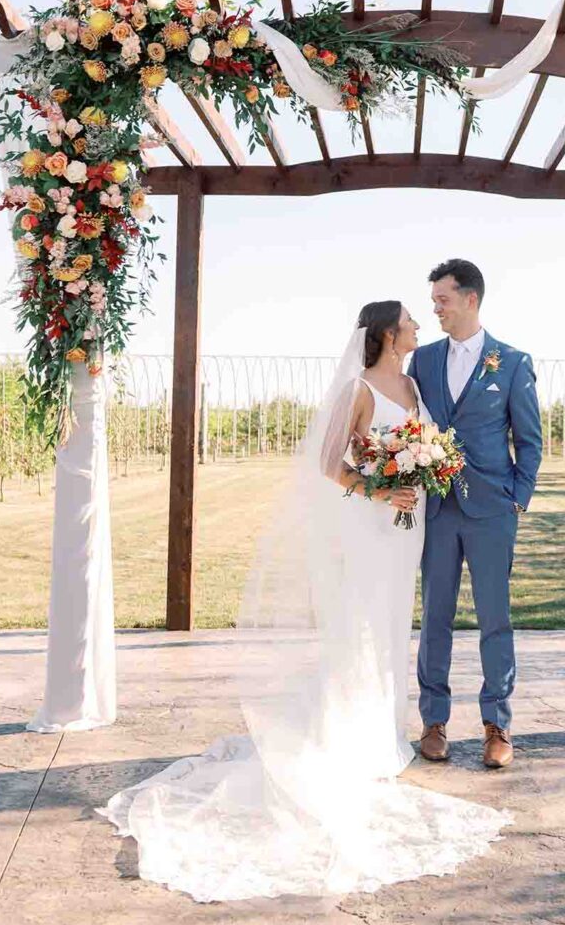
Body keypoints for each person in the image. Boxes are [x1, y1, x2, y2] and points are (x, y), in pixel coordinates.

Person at [97, 301, 511, 905]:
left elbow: (416, 441)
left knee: (394, 625)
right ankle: (350, 735)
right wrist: (381, 488)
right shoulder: (360, 386)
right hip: (374, 523)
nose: (420, 327)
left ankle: (384, 733)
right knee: (362, 624)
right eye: (410, 322)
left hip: (409, 524)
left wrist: (420, 473)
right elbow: (329, 462)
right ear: (388, 334)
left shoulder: (414, 380)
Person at [409, 259, 542, 769]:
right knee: (435, 618)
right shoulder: (421, 361)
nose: (435, 309)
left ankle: (497, 726)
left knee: (495, 620)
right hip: (437, 510)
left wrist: (517, 497)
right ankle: (434, 721)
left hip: (491, 511)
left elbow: (528, 440)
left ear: (470, 299)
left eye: (442, 299)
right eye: (434, 300)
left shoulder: (511, 362)